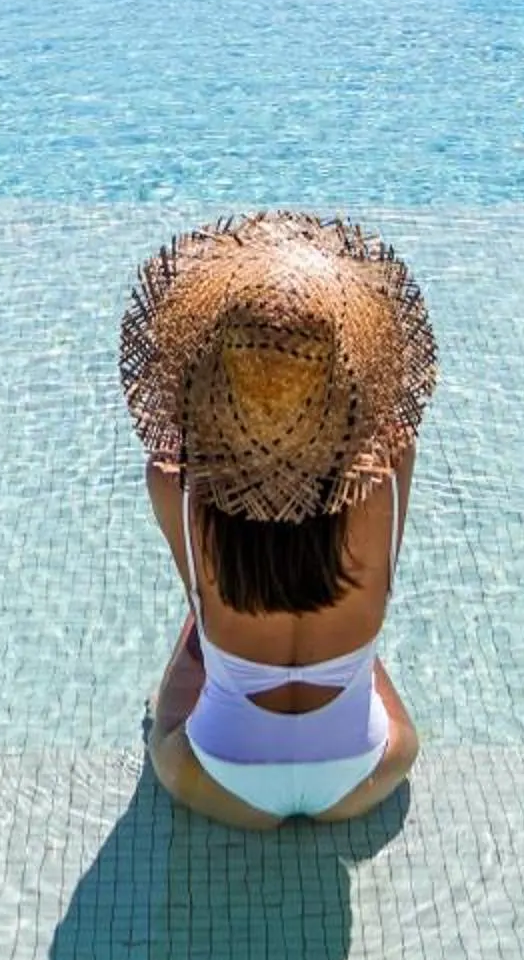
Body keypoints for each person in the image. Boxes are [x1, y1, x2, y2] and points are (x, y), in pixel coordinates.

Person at [119, 208, 438, 828]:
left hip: (219, 777)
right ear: (344, 379)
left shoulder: (173, 485)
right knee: (360, 628)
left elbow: (202, 610)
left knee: (192, 640)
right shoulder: (391, 468)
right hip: (368, 770)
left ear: (214, 378)